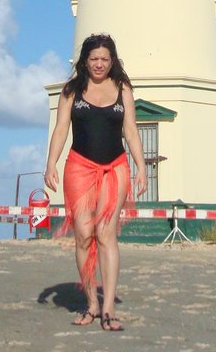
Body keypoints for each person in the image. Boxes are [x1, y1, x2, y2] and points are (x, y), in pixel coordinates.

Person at [44, 33, 147, 332]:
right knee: (84, 235)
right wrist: (51, 163)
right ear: (85, 62)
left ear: (112, 60)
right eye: (94, 59)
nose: (99, 64)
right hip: (79, 166)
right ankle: (90, 302)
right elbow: (61, 129)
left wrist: (140, 167)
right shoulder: (72, 90)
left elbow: (131, 130)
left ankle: (108, 308)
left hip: (115, 167)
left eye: (104, 59)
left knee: (106, 235)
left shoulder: (123, 88)